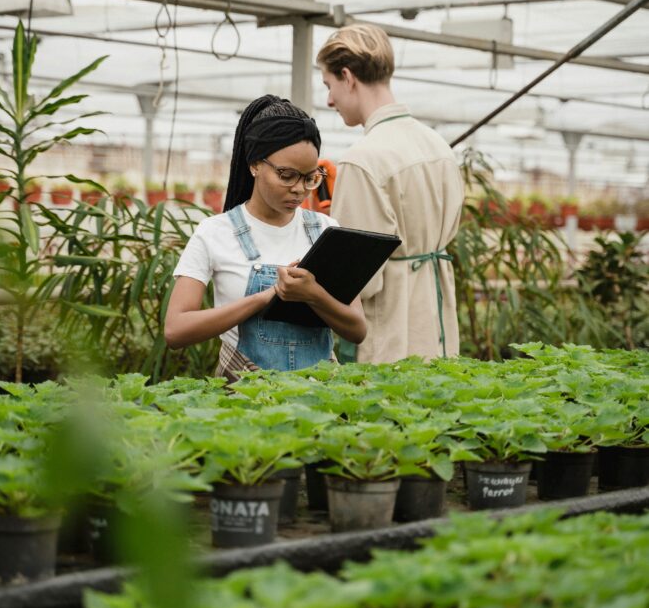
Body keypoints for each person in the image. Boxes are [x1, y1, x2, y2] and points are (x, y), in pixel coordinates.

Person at [165, 95, 366, 380]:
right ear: (255, 164)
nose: (299, 189)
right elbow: (176, 330)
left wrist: (314, 295)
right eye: (287, 175)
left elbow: (357, 329)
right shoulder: (215, 232)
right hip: (242, 395)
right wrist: (266, 298)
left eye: (310, 178)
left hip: (319, 396)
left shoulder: (326, 231)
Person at [316, 23, 463, 363]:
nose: (329, 99)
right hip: (439, 332)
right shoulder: (439, 147)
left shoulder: (362, 160)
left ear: (348, 77)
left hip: (390, 341)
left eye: (329, 84)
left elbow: (357, 281)